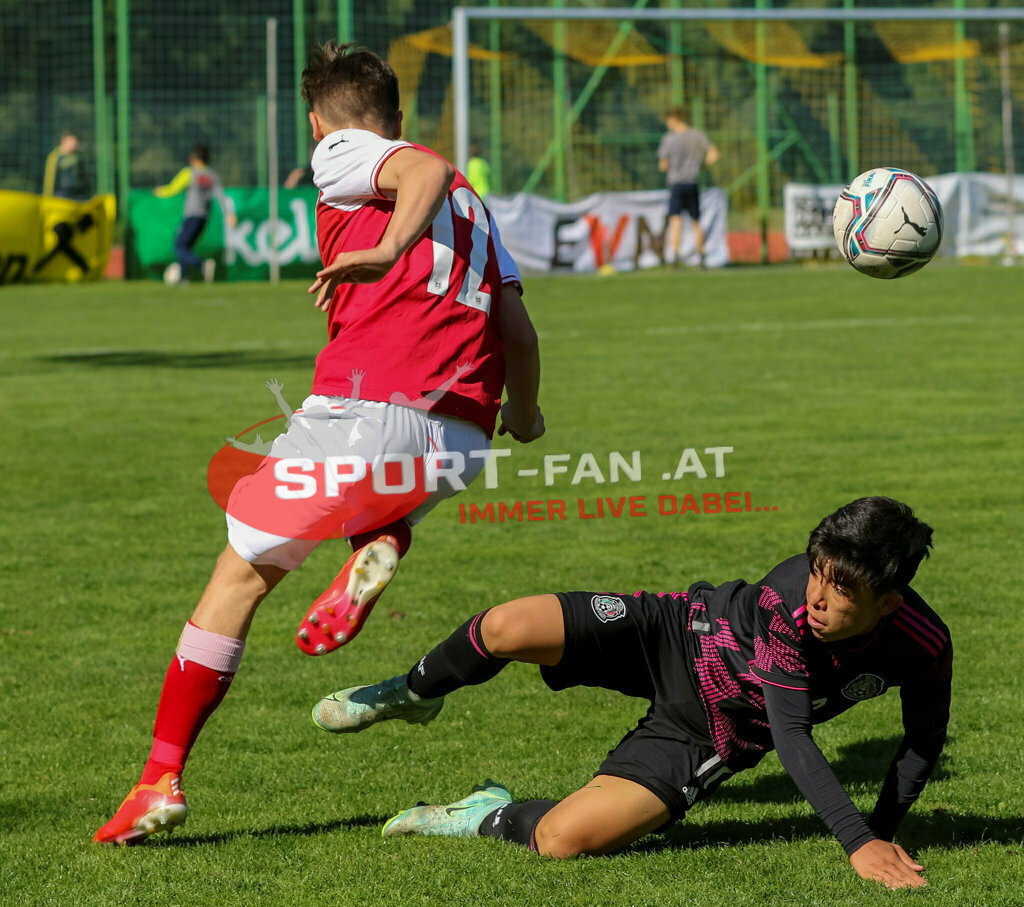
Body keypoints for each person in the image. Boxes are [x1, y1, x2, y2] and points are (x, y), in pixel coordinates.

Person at [94, 41, 544, 845]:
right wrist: (529, 412)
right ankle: (384, 537)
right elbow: (519, 328)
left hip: (368, 409)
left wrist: (386, 248)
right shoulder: (476, 208)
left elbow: (424, 168)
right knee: (381, 493)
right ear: (398, 110)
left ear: (317, 123)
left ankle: (158, 779)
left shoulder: (344, 152)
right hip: (463, 434)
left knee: (237, 578)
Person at [313, 497, 950, 891]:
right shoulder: (787, 601)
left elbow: (921, 744)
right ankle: (416, 692)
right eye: (816, 572)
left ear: (888, 603)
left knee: (563, 840)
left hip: (711, 728)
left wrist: (880, 833)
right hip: (673, 633)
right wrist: (858, 840)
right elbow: (795, 734)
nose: (817, 596)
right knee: (506, 625)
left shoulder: (924, 647)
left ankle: (483, 812)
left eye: (841, 590)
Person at [154, 143, 238, 285]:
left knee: (179, 245)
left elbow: (173, 188)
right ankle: (183, 277)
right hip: (204, 217)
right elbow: (220, 195)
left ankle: (202, 264)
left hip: (192, 215)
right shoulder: (211, 175)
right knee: (185, 246)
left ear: (194, 158)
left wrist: (159, 192)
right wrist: (229, 213)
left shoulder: (190, 173)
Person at [657, 107, 718, 267]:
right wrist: (703, 165)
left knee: (675, 220)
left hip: (676, 184)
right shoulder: (697, 135)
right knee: (696, 221)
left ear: (673, 119)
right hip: (692, 182)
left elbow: (663, 165)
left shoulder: (669, 139)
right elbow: (713, 153)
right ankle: (701, 256)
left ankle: (675, 257)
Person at [43, 131, 90, 201]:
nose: (73, 145)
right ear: (63, 141)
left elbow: (84, 178)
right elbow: (50, 180)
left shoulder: (77, 158)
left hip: (79, 194)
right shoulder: (54, 157)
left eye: (74, 142)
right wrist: (49, 195)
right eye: (70, 142)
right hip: (62, 194)